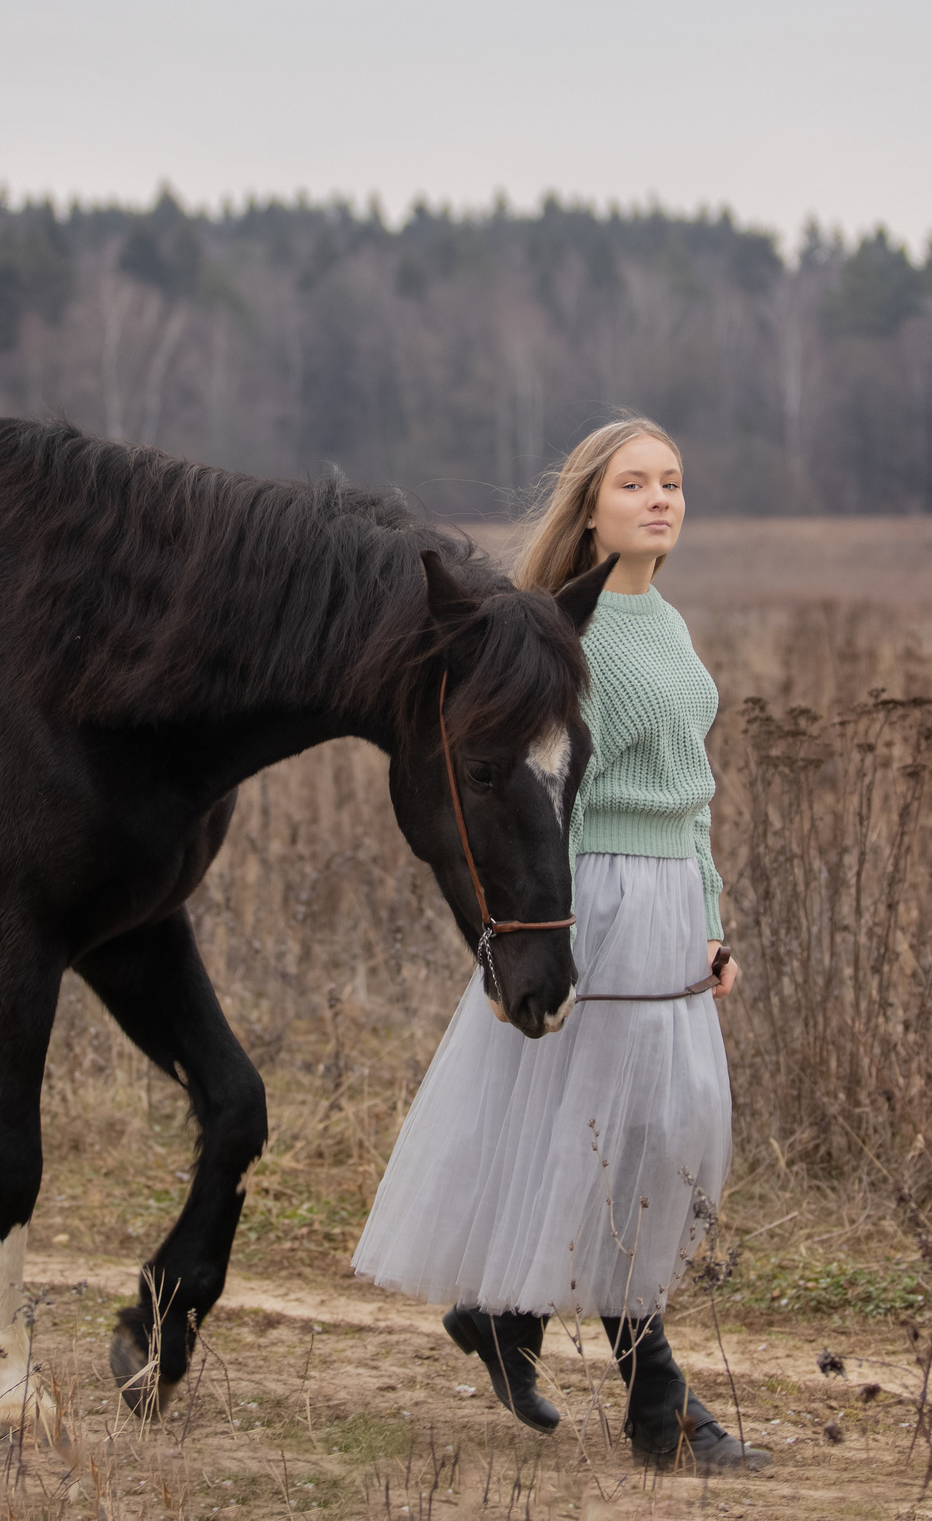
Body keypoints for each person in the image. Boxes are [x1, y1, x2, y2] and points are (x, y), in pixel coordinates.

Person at [354, 417, 767, 1473]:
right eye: (635, 484)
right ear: (591, 508)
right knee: (611, 1138)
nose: (661, 499)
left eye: (673, 481)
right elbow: (535, 799)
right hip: (597, 902)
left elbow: (695, 793)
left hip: (672, 900)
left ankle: (505, 1319)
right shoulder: (556, 636)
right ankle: (658, 1402)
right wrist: (530, 931)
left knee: (662, 1133)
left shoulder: (665, 624)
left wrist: (712, 919)